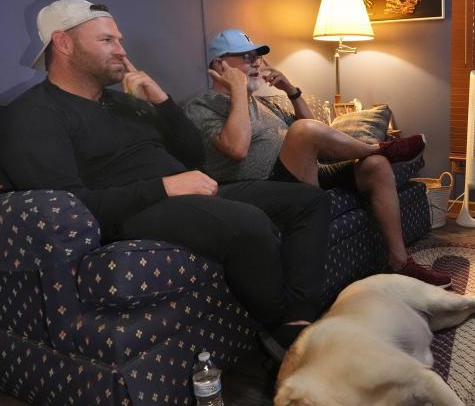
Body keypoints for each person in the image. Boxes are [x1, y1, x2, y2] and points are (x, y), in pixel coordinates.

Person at [0, 0, 330, 355]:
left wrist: (160, 100)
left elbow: (191, 156)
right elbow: (65, 207)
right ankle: (282, 334)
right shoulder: (33, 115)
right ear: (63, 43)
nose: (122, 51)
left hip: (186, 191)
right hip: (130, 210)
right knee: (247, 222)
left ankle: (300, 319)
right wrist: (165, 187)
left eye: (119, 40)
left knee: (308, 201)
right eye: (107, 41)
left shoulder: (124, 102)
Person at [185, 29, 452, 287]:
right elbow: (237, 149)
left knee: (376, 167)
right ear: (220, 65)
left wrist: (291, 90)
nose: (256, 63)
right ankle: (378, 147)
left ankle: (400, 261)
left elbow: (314, 130)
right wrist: (239, 92)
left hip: (303, 170)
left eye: (257, 56)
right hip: (267, 187)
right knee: (307, 133)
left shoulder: (263, 104)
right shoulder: (201, 106)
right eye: (246, 57)